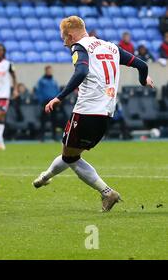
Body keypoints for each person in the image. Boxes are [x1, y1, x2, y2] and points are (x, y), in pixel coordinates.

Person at [32, 16, 154, 212]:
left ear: (70, 35)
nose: (64, 43)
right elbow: (142, 66)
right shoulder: (111, 47)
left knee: (70, 156)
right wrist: (143, 80)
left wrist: (59, 97)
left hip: (86, 111)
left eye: (64, 38)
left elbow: (80, 72)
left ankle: (107, 192)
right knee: (71, 153)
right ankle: (45, 177)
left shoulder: (79, 47)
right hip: (106, 114)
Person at [36, 66, 59, 141]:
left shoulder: (54, 81)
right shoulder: (41, 81)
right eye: (48, 70)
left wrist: (57, 100)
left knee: (54, 119)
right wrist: (41, 101)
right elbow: (38, 92)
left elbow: (57, 91)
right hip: (45, 102)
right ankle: (41, 136)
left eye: (50, 70)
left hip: (53, 102)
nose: (50, 72)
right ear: (45, 71)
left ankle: (54, 136)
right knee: (43, 120)